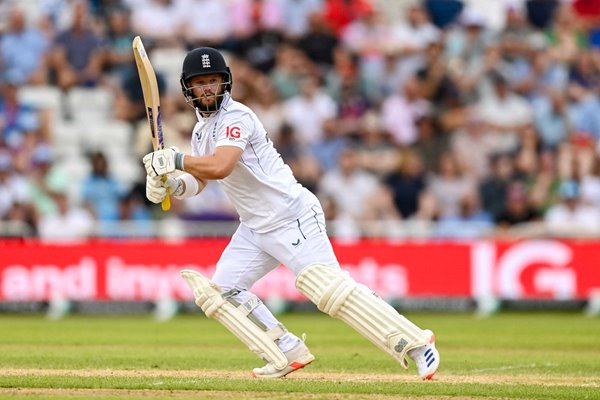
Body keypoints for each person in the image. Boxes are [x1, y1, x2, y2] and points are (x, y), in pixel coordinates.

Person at [142, 47, 440, 379]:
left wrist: (176, 160)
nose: (209, 88)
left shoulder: (236, 117)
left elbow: (221, 166)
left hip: (291, 216)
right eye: (201, 83)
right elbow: (201, 178)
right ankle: (286, 348)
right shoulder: (200, 132)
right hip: (255, 227)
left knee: (329, 291)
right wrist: (172, 186)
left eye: (214, 81)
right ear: (189, 89)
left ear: (225, 83)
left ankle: (417, 343)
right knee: (221, 292)